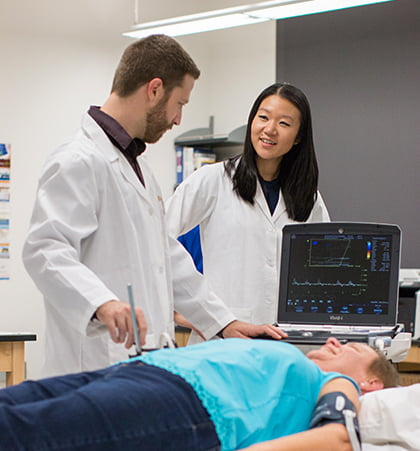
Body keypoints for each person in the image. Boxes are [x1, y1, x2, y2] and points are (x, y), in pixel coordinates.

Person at [22, 34, 284, 377]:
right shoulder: (77, 160)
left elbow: (168, 260)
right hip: (95, 364)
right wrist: (101, 302)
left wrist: (225, 323)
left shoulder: (139, 168)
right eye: (180, 104)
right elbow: (45, 251)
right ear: (155, 89)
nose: (177, 120)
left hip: (142, 365)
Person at [0, 338, 399, 450]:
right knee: (11, 405)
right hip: (144, 372)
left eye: (355, 349)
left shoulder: (338, 387)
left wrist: (347, 387)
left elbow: (338, 435)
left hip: (191, 407)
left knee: (23, 430)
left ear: (372, 384)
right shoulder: (295, 361)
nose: (334, 340)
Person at [165, 83, 330, 343]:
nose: (270, 129)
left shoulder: (308, 198)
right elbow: (159, 239)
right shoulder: (213, 179)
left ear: (299, 137)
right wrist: (204, 315)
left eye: (284, 123)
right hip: (224, 338)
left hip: (288, 341)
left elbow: (323, 273)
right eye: (263, 117)